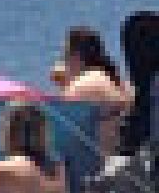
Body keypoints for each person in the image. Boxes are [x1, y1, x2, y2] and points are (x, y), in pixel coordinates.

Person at [52, 27, 130, 156]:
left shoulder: (84, 84)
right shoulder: (116, 82)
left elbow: (63, 134)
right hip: (120, 156)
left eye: (64, 56)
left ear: (76, 56)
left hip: (100, 164)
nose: (62, 62)